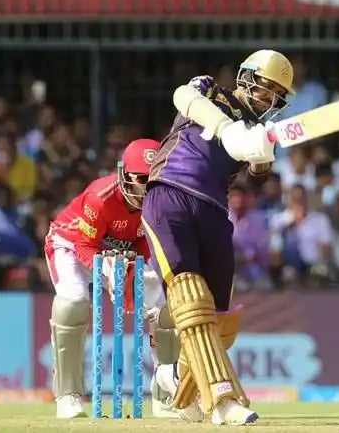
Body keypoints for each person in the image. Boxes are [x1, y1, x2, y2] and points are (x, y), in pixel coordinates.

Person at [142, 49, 293, 426]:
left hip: (213, 210)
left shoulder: (259, 128)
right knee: (189, 297)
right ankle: (224, 399)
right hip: (170, 192)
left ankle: (176, 379)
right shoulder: (211, 92)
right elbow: (183, 97)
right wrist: (228, 129)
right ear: (246, 77)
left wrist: (262, 145)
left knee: (221, 320)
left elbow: (259, 165)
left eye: (276, 93)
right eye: (265, 87)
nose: (267, 97)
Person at [44, 139, 180, 419]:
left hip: (121, 253)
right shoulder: (101, 198)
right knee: (73, 304)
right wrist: (105, 265)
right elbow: (84, 244)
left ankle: (166, 395)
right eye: (141, 178)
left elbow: (145, 243)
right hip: (72, 246)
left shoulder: (161, 200)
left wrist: (144, 268)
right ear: (123, 174)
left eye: (153, 177)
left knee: (166, 309)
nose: (146, 187)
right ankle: (67, 395)